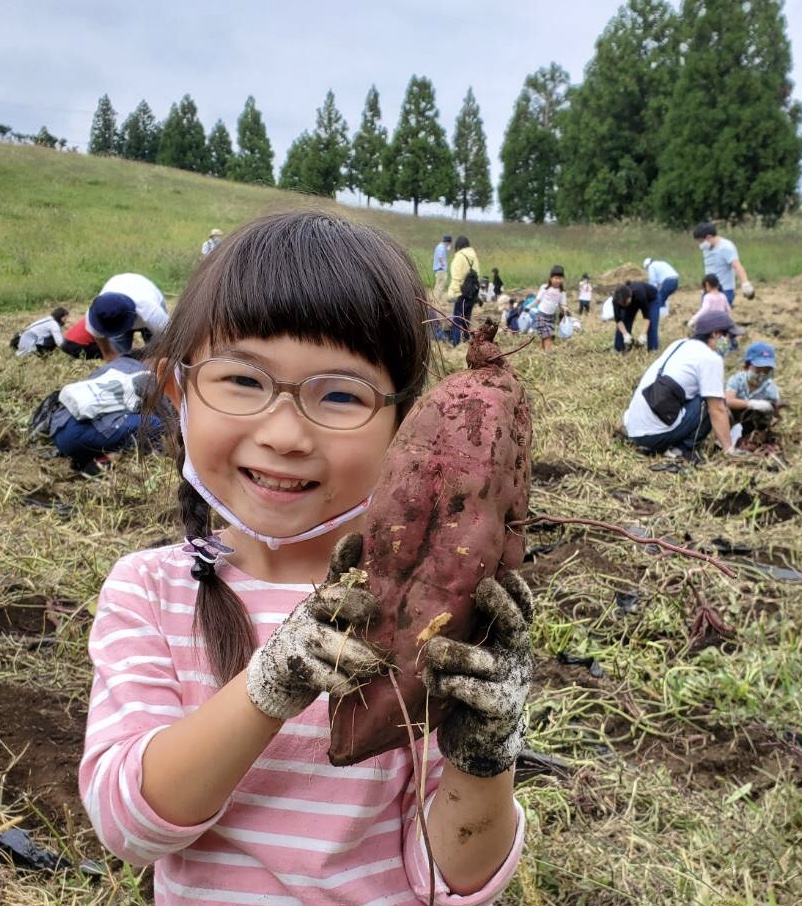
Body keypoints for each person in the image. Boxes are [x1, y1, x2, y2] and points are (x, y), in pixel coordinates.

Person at [78, 211, 528, 906]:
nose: (285, 435)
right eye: (242, 380)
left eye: (341, 394)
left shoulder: (433, 616)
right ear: (177, 393)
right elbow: (129, 827)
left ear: (406, 429)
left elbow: (453, 880)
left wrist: (484, 758)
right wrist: (266, 686)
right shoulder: (149, 589)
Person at [622, 310, 746, 461]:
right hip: (652, 437)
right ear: (715, 334)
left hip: (634, 430)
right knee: (710, 400)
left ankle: (664, 438)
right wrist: (729, 448)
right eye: (728, 337)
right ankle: (682, 448)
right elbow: (717, 409)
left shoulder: (679, 344)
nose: (730, 342)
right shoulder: (711, 358)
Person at [48, 350, 163, 477]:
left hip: (58, 426)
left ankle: (83, 455)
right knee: (154, 423)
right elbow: (167, 426)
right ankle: (103, 462)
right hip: (79, 436)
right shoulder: (150, 377)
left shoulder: (119, 363)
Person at [86, 273, 170, 357]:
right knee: (119, 354)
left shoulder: (152, 312)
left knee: (156, 350)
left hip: (146, 296)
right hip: (121, 303)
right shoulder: (97, 314)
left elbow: (170, 338)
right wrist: (110, 355)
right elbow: (106, 350)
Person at [725, 341, 782, 443]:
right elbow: (728, 400)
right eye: (758, 370)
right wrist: (752, 404)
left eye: (766, 371)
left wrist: (772, 409)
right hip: (732, 420)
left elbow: (775, 412)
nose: (762, 375)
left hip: (752, 425)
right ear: (746, 367)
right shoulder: (737, 380)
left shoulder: (770, 388)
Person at [692, 223, 754, 306]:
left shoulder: (726, 247)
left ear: (709, 237)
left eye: (701, 241)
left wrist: (745, 284)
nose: (700, 244)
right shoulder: (707, 248)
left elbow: (737, 266)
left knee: (715, 311)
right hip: (709, 290)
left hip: (725, 290)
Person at [447, 234, 480, 345]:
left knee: (457, 320)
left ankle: (455, 344)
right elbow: (477, 275)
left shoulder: (459, 258)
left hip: (461, 294)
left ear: (458, 246)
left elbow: (456, 278)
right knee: (466, 320)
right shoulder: (474, 257)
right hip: (472, 293)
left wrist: (452, 293)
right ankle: (467, 340)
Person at [530, 265, 569, 352]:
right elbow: (538, 300)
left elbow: (562, 304)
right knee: (548, 336)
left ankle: (542, 351)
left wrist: (565, 309)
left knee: (545, 336)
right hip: (541, 315)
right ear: (551, 278)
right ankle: (548, 353)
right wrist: (528, 307)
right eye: (556, 278)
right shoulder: (544, 288)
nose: (558, 280)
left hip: (552, 317)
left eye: (560, 278)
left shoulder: (562, 292)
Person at [611, 280, 658, 352]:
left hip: (651, 299)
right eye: (622, 305)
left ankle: (652, 349)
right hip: (634, 301)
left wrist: (643, 334)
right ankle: (620, 349)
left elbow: (647, 316)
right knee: (625, 320)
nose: (624, 306)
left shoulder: (640, 294)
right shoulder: (616, 300)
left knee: (652, 323)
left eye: (625, 303)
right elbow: (618, 319)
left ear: (630, 296)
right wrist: (625, 334)